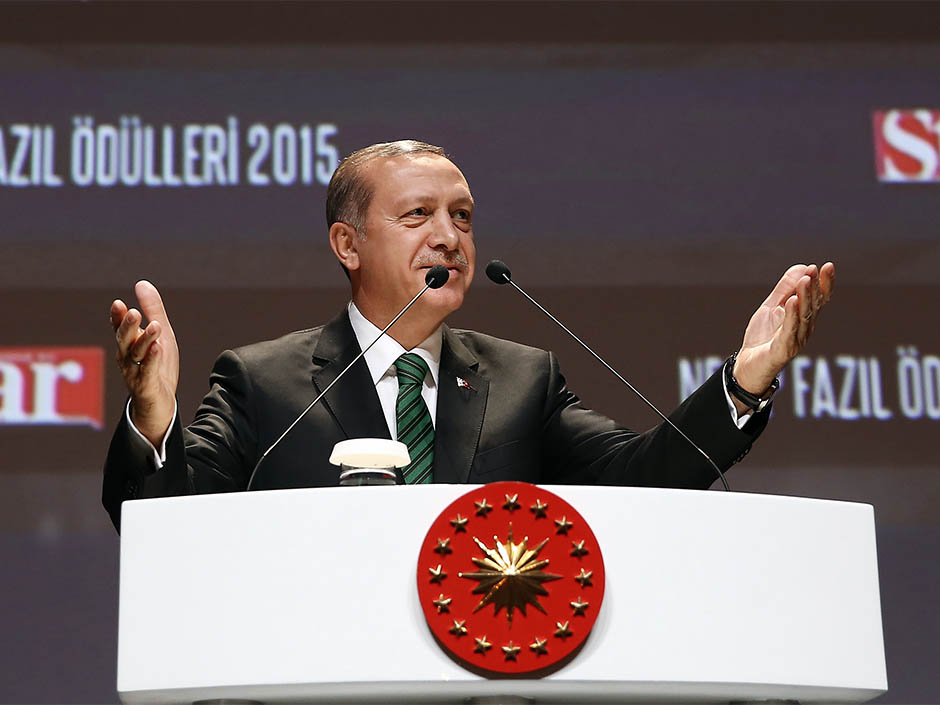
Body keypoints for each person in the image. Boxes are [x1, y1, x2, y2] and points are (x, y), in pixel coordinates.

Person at [103, 140, 834, 532]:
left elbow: (643, 480)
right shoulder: (263, 380)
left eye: (463, 216)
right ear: (347, 244)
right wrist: (154, 418)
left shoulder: (523, 377)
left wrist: (742, 381)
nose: (449, 237)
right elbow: (171, 525)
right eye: (418, 216)